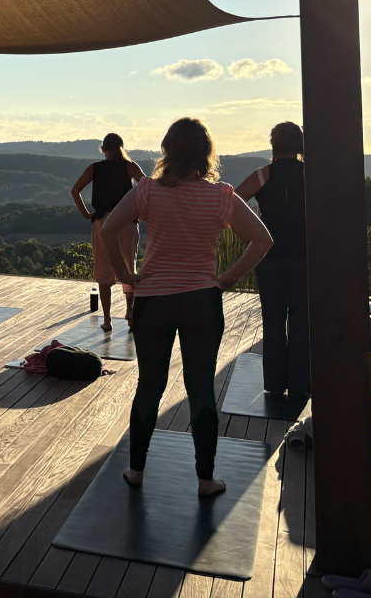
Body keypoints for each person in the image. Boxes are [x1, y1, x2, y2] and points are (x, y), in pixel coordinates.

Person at [101, 117, 273, 496]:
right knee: (201, 391)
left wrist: (125, 275)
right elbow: (262, 239)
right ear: (205, 153)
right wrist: (227, 278)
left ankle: (136, 471)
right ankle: (205, 480)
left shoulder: (146, 190)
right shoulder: (221, 195)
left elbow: (108, 228)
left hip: (154, 302)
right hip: (200, 302)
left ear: (168, 150)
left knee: (149, 387)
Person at [234, 121, 309, 401]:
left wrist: (247, 237)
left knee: (273, 321)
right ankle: (301, 386)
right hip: (304, 257)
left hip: (269, 257)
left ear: (273, 144)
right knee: (302, 321)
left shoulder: (263, 174)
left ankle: (275, 385)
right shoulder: (310, 173)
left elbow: (233, 202)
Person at [71, 133, 144, 331]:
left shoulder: (94, 168)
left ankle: (107, 319)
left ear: (103, 148)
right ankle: (130, 313)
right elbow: (146, 187)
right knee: (130, 267)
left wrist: (86, 214)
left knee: (104, 269)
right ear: (121, 146)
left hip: (102, 221)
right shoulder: (130, 166)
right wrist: (140, 210)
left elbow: (75, 190)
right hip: (126, 222)